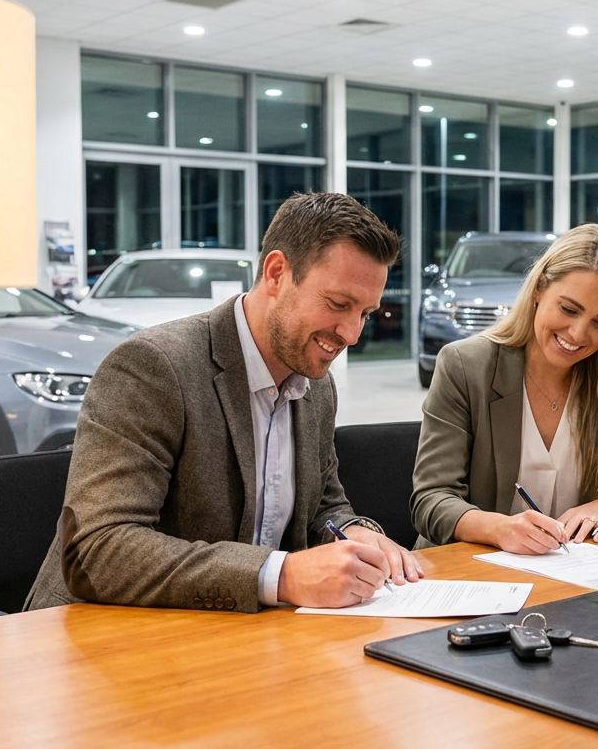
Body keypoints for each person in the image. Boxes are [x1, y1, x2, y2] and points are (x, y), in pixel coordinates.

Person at [25, 192, 422, 613]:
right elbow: (98, 549)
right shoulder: (153, 368)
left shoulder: (314, 382)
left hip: (233, 636)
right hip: (100, 641)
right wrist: (281, 575)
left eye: (365, 313)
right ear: (276, 273)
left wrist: (354, 531)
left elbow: (324, 505)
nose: (352, 334)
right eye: (339, 304)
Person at [411, 224, 598, 554]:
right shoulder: (465, 365)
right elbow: (430, 500)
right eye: (568, 309)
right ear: (537, 290)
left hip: (567, 575)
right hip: (468, 572)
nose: (578, 334)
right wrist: (498, 528)